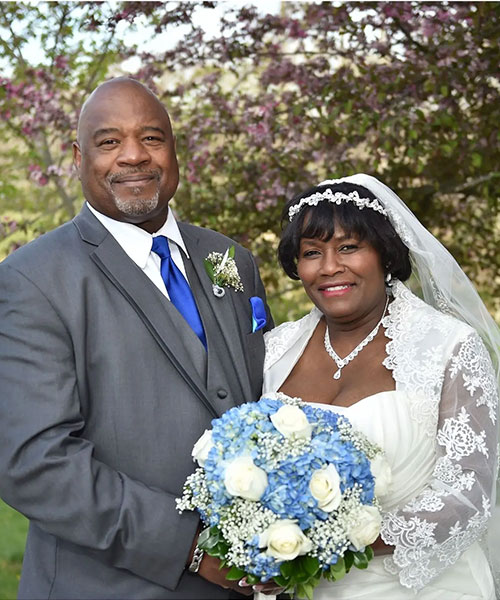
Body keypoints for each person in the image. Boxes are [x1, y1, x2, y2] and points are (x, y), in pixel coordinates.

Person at [0, 77, 275, 599]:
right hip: (109, 585)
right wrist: (191, 547)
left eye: (152, 138)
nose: (133, 156)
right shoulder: (30, 279)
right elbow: (35, 461)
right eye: (109, 142)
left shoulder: (230, 260)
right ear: (77, 157)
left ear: (175, 152)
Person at [262, 174, 500, 599]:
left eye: (349, 247)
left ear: (386, 254)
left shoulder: (448, 346)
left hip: (422, 587)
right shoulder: (275, 350)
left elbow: (469, 496)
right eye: (312, 253)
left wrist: (333, 544)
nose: (330, 267)